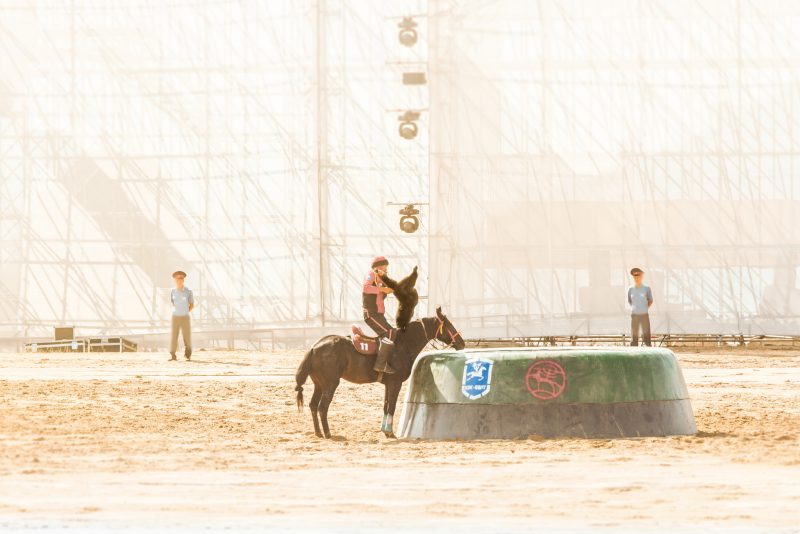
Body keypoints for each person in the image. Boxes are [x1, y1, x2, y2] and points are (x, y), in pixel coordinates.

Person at [362, 256, 396, 374]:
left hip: (378, 314)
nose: (386, 271)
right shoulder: (371, 274)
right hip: (371, 313)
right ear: (379, 267)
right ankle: (380, 364)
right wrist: (383, 290)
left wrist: (387, 290)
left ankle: (382, 360)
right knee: (391, 332)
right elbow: (366, 288)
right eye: (385, 268)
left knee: (389, 334)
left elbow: (379, 294)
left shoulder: (380, 279)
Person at [170, 270, 194, 361]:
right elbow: (173, 302)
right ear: (175, 280)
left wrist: (185, 311)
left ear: (183, 280)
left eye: (181, 278)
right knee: (174, 336)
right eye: (177, 279)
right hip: (175, 317)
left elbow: (191, 304)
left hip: (185, 317)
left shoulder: (188, 292)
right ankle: (172, 355)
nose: (179, 280)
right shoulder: (172, 291)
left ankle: (188, 355)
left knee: (186, 336)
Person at [627, 267, 653, 347]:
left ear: (641, 276)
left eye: (638, 275)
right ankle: (633, 352)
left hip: (644, 315)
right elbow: (630, 301)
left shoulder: (647, 289)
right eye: (634, 276)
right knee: (634, 335)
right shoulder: (630, 289)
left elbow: (650, 300)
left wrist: (644, 308)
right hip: (634, 315)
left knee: (646, 335)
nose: (636, 277)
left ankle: (648, 350)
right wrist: (636, 309)